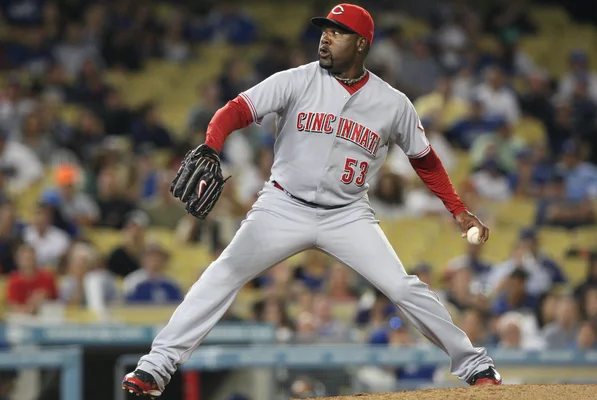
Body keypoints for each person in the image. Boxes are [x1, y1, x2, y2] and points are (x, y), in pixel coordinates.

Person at [122, 4, 501, 398]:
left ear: (360, 44)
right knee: (223, 273)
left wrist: (457, 209)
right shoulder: (296, 80)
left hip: (348, 215)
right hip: (282, 205)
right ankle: (155, 367)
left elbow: (425, 160)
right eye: (325, 29)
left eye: (337, 32)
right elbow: (236, 110)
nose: (326, 36)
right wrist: (212, 146)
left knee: (404, 288)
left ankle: (475, 364)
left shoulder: (393, 103)